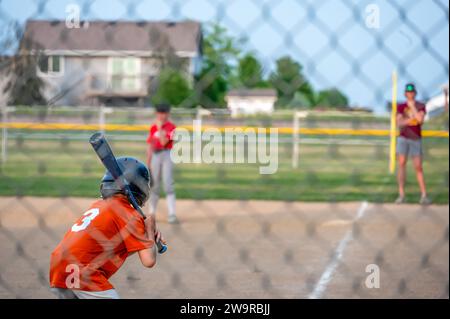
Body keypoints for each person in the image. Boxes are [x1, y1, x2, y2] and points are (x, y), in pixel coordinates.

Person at [49, 157, 165, 299]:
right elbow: (149, 261)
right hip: (81, 272)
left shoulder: (101, 205)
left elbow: (113, 249)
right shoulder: (129, 214)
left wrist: (145, 236)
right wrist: (149, 226)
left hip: (59, 267)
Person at [395, 83, 431, 205]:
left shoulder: (421, 106)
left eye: (412, 92)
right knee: (401, 164)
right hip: (403, 138)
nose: (410, 94)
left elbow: (420, 120)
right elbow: (399, 123)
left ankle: (424, 195)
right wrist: (411, 119)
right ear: (405, 93)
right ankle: (401, 195)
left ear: (415, 93)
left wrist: (413, 108)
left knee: (418, 167)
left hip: (415, 139)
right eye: (408, 92)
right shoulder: (401, 106)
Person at [147, 104, 178, 224]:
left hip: (167, 155)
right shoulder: (153, 127)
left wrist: (160, 128)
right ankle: (152, 213)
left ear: (168, 114)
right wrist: (148, 162)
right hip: (155, 155)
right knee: (154, 184)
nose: (161, 115)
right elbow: (150, 145)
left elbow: (164, 142)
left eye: (164, 112)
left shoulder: (171, 127)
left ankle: (171, 214)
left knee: (168, 183)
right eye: (159, 113)